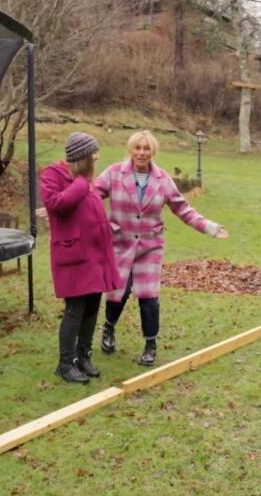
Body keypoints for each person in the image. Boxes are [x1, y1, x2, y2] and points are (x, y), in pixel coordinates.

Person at [95, 130, 229, 366]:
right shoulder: (114, 173)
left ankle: (150, 344)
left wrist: (210, 227)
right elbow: (91, 197)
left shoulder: (163, 180)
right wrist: (65, 208)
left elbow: (183, 209)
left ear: (153, 152)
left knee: (149, 297)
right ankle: (108, 329)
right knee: (118, 291)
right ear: (131, 149)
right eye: (138, 148)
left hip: (150, 247)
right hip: (120, 243)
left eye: (146, 148)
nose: (141, 153)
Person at [39, 132, 124, 384]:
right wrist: (80, 183)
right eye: (93, 156)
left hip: (96, 255)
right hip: (75, 255)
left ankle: (83, 356)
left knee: (91, 308)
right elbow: (56, 204)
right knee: (75, 310)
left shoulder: (87, 181)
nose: (96, 160)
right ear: (82, 158)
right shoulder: (53, 175)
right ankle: (65, 364)